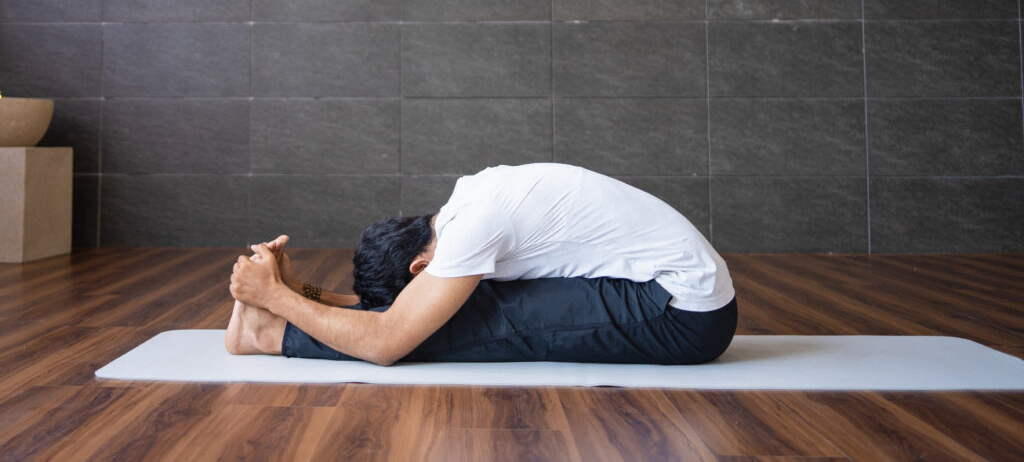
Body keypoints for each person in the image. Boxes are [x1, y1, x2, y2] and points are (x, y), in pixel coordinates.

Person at [226, 163, 737, 365]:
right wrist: (298, 292)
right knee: (451, 310)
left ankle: (267, 335)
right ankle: (273, 324)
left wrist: (275, 299)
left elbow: (387, 339)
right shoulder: (464, 203)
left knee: (464, 324)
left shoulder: (473, 232)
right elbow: (401, 308)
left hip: (686, 316)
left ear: (419, 270)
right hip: (661, 289)